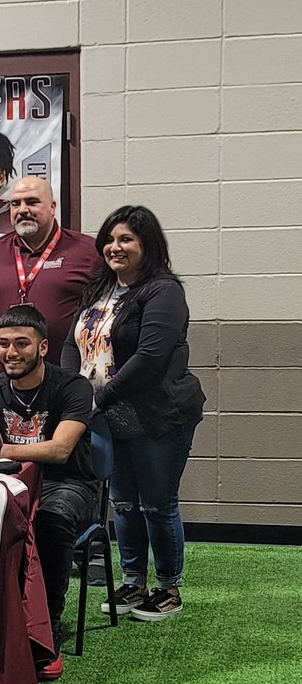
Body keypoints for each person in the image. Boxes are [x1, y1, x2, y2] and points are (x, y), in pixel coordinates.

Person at [62, 206, 204, 622]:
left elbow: (150, 357)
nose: (115, 247)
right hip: (106, 416)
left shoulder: (163, 291)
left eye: (126, 239)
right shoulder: (100, 288)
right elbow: (73, 342)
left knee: (157, 505)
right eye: (109, 238)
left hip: (158, 414)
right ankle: (133, 582)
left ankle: (168, 589)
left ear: (147, 245)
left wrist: (97, 401)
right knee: (123, 503)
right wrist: (72, 392)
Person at [0, 305, 97, 680]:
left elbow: (59, 450)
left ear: (42, 348)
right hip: (0, 484)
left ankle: (47, 630)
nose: (11, 352)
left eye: (21, 343)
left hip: (67, 483)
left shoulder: (73, 386)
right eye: (4, 344)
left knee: (50, 520)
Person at [0, 176, 99, 388]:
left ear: (52, 207)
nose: (22, 209)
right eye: (16, 204)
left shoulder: (88, 252)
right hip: (2, 387)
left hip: (68, 387)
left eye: (32, 202)